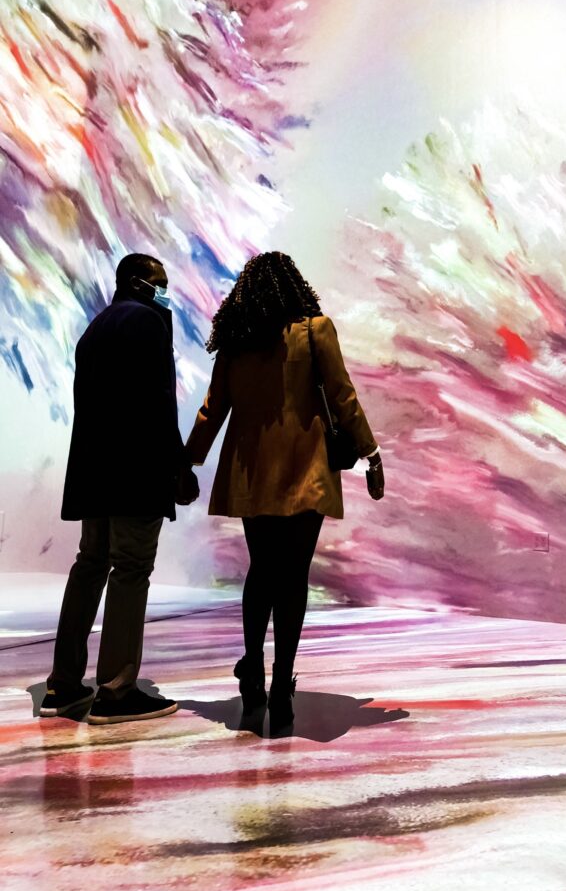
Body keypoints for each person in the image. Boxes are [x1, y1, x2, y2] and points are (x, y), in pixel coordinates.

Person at [185, 251, 384, 732]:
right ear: (296, 286)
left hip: (253, 471)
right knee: (293, 575)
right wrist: (371, 452)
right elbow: (342, 395)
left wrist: (187, 460)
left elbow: (214, 408)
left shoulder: (236, 340)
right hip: (304, 469)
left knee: (261, 570)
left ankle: (251, 669)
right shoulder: (315, 330)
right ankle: (281, 684)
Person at [39, 253, 199, 724]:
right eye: (159, 281)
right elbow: (157, 406)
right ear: (136, 282)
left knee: (89, 566)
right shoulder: (149, 323)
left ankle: (62, 686)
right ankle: (116, 691)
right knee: (130, 570)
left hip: (95, 474)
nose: (165, 290)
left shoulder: (95, 330)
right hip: (134, 475)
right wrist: (179, 467)